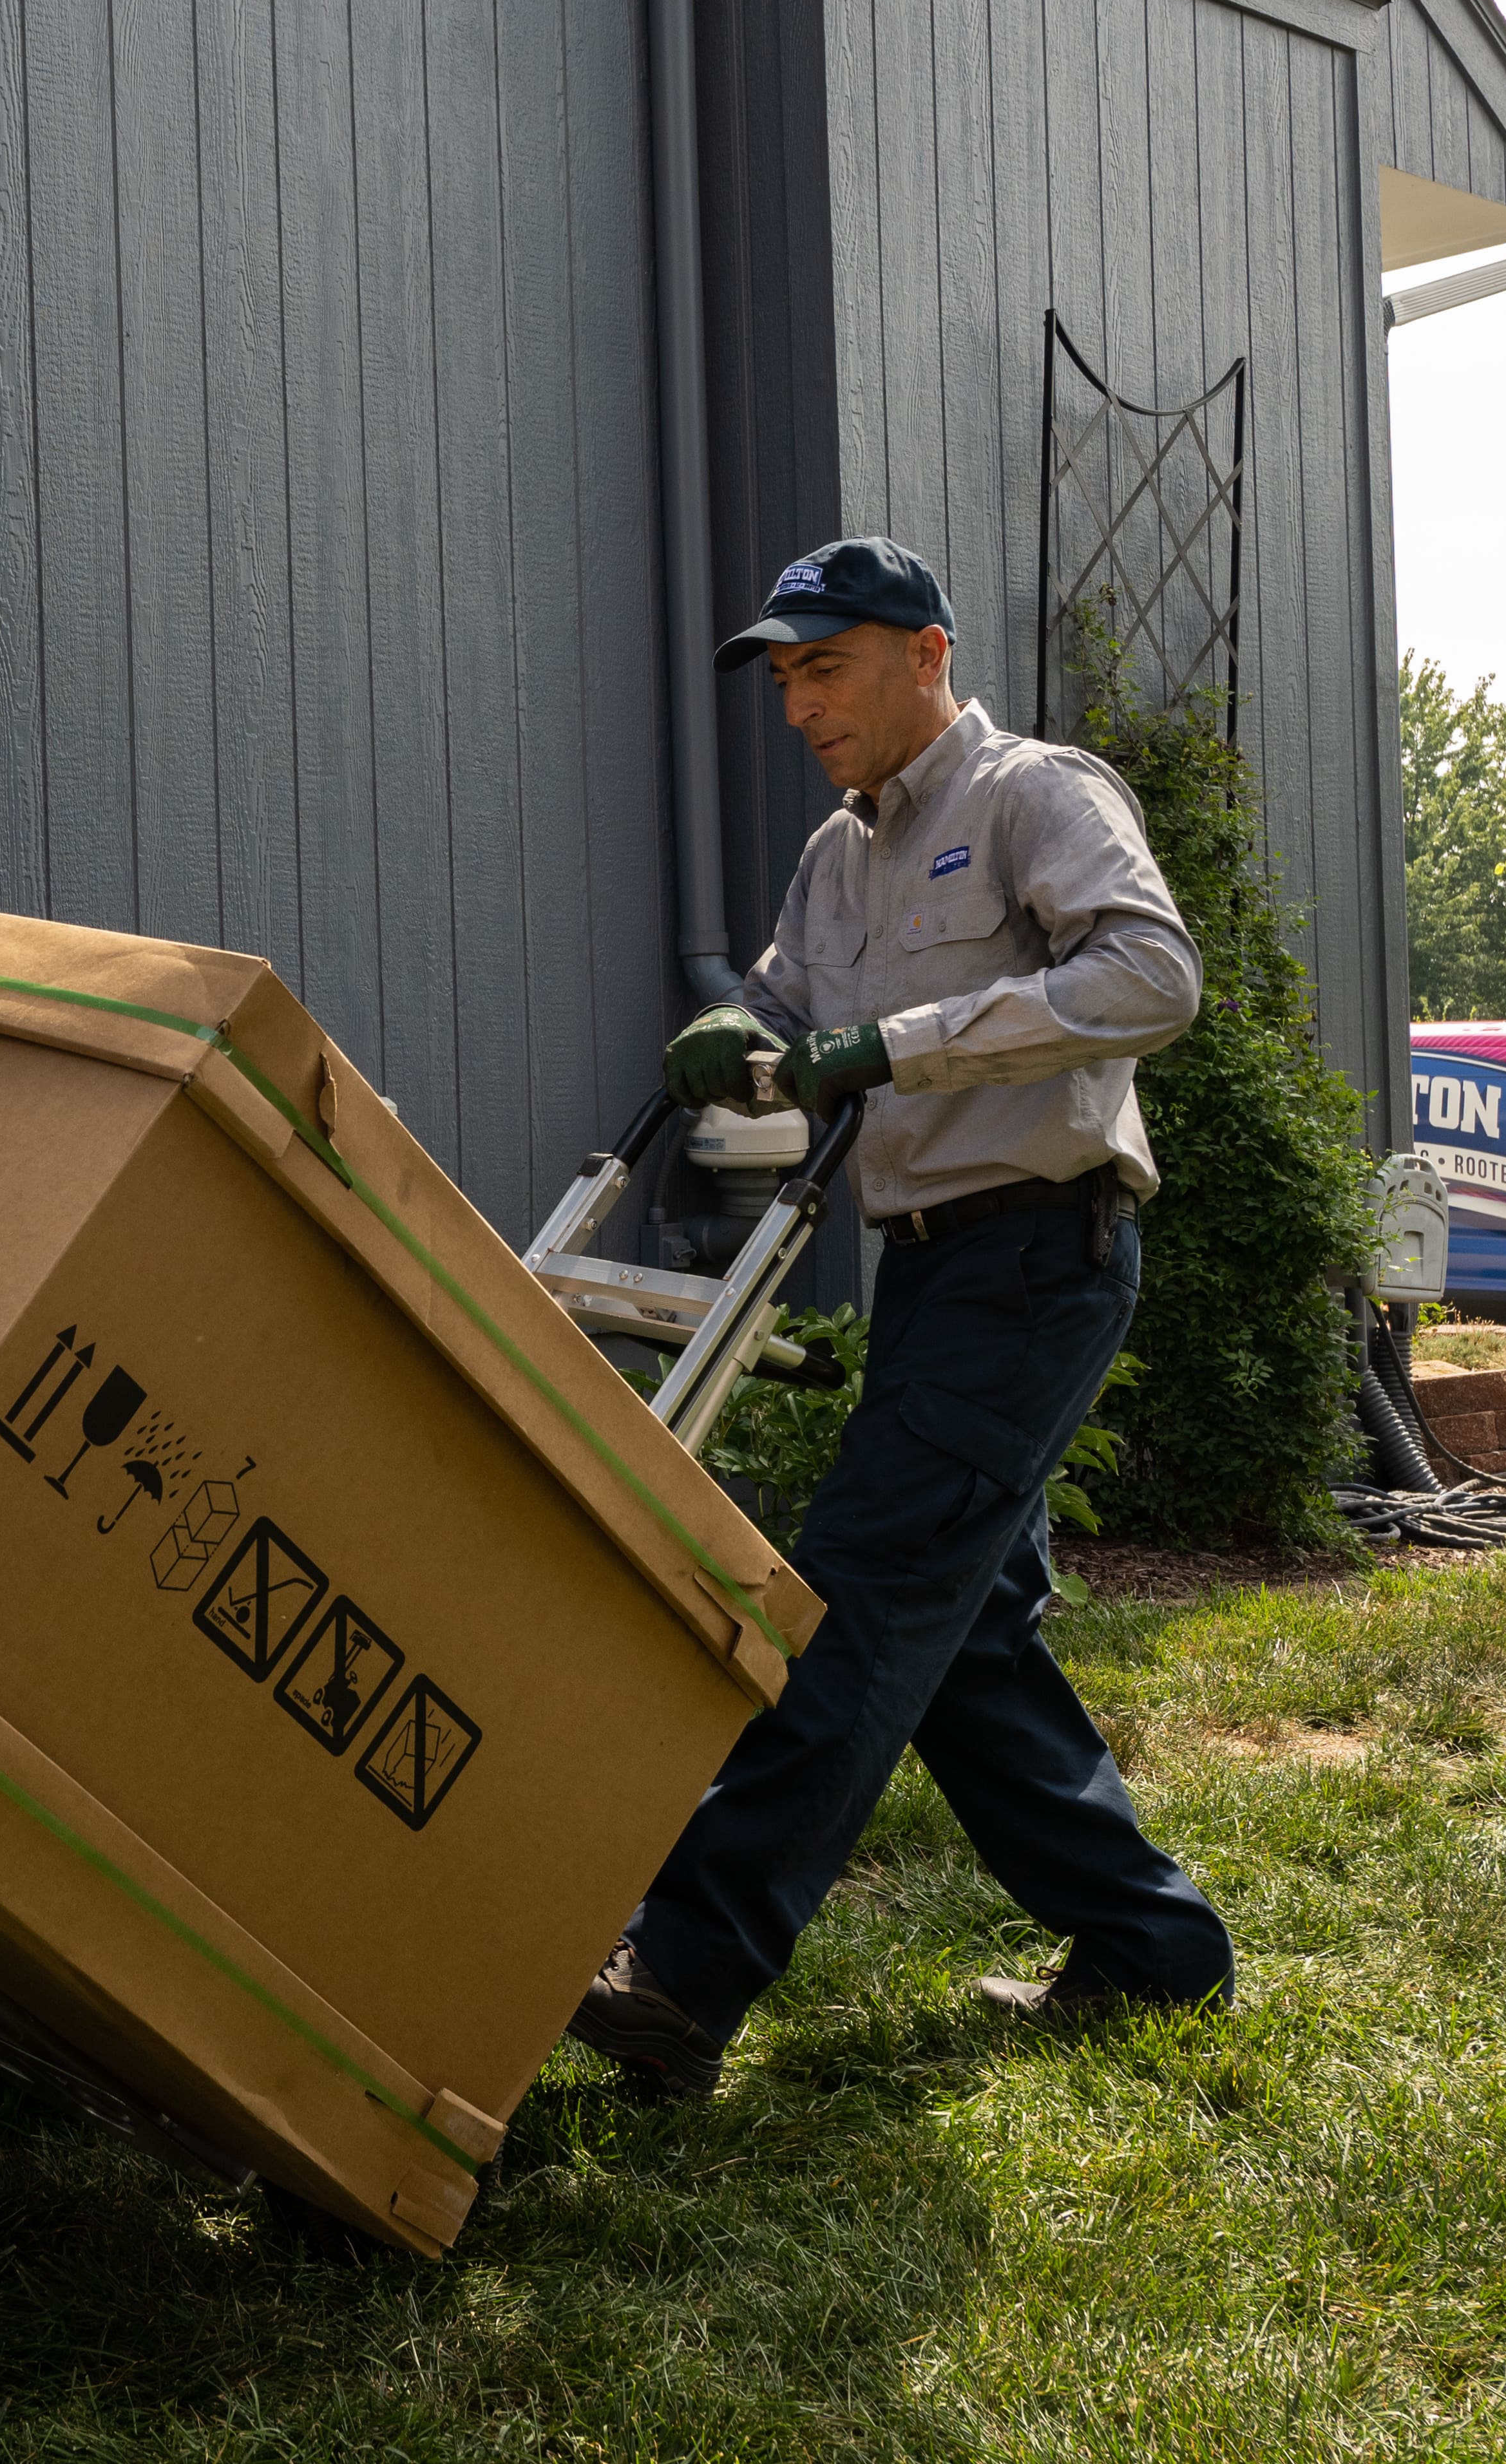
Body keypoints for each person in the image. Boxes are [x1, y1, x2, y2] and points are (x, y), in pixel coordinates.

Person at [567, 536, 1235, 2099]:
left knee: (858, 1595)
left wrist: (893, 1043)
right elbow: (796, 1012)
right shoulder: (836, 852)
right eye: (785, 674)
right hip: (929, 1267)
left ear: (922, 653)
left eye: (825, 666)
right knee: (970, 1639)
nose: (799, 702)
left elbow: (1152, 978)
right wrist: (737, 1027)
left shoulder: (1036, 796)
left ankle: (686, 1962)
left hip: (1040, 1255)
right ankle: (1150, 1949)